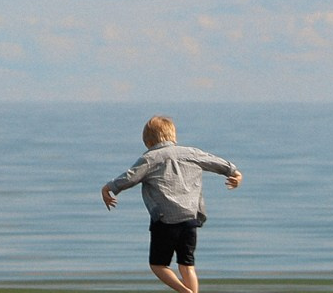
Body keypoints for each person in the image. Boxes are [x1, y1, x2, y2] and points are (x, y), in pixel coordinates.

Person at [101, 115, 241, 293]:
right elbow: (216, 162)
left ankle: (185, 292)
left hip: (165, 221)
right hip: (191, 219)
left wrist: (108, 188)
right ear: (173, 136)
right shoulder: (191, 153)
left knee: (158, 265)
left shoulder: (150, 158)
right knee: (187, 265)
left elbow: (130, 177)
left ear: (147, 141)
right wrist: (235, 173)